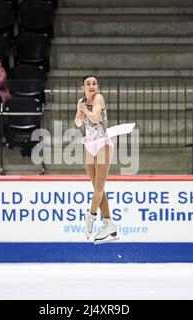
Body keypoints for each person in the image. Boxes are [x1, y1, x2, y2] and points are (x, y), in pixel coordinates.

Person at [75, 75, 117, 243]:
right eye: (88, 84)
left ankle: (90, 217)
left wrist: (84, 111)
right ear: (82, 87)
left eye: (94, 83)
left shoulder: (99, 98)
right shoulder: (81, 101)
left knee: (98, 190)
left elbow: (96, 118)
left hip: (102, 144)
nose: (92, 86)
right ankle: (109, 224)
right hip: (89, 145)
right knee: (98, 188)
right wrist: (80, 114)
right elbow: (78, 123)